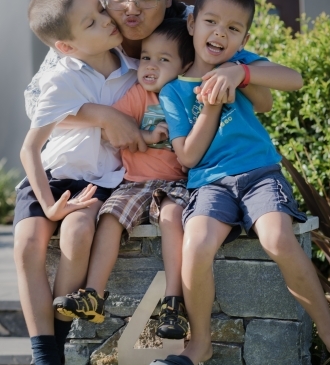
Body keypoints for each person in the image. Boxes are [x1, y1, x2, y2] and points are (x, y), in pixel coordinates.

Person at [148, 0, 330, 365]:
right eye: (211, 21)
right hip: (210, 183)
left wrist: (240, 70)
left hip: (259, 173)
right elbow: (189, 157)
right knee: (196, 244)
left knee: (278, 238)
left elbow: (292, 80)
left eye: (233, 29)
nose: (220, 33)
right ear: (192, 23)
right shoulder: (173, 91)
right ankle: (200, 344)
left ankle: (328, 327)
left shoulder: (242, 62)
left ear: (244, 38)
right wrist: (211, 105)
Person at [52, 17, 274, 339]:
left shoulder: (187, 97)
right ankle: (94, 294)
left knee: (172, 218)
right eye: (145, 58)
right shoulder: (136, 95)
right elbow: (113, 133)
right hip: (133, 181)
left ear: (184, 65)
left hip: (174, 182)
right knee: (110, 218)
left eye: (163, 59)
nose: (151, 66)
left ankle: (173, 301)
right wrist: (145, 134)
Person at [11, 0, 140, 365]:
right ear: (66, 45)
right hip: (49, 176)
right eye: (93, 22)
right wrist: (47, 205)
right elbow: (30, 148)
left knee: (79, 232)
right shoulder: (63, 74)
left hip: (99, 180)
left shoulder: (133, 69)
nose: (107, 20)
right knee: (26, 246)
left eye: (102, 11)